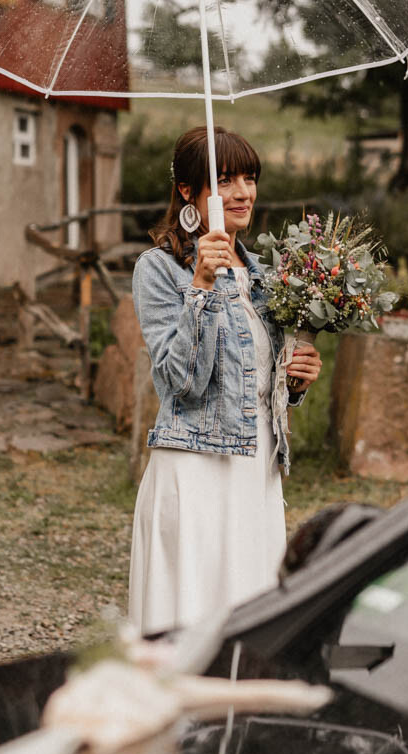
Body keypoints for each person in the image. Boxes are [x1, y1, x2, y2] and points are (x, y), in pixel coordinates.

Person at [128, 125, 323, 635]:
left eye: (250, 178)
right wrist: (201, 287)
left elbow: (256, 379)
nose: (242, 193)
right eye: (225, 179)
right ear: (189, 192)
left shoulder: (263, 274)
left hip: (256, 467)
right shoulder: (160, 270)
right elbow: (180, 383)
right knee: (193, 618)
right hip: (197, 469)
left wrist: (294, 381)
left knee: (250, 610)